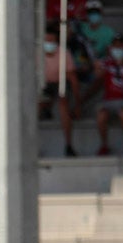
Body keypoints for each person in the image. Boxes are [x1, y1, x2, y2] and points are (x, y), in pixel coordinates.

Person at [41, 25, 81, 158]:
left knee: (63, 105)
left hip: (60, 84)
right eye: (47, 41)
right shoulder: (35, 54)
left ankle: (69, 144)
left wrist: (77, 104)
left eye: (52, 41)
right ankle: (30, 145)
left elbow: (73, 79)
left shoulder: (64, 54)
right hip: (42, 85)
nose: (49, 44)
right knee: (35, 105)